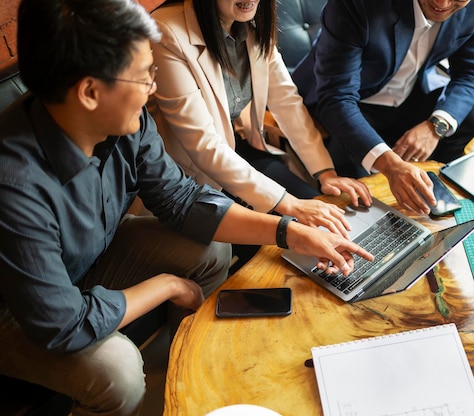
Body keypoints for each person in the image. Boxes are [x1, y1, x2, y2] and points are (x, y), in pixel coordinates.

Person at [0, 0, 373, 415]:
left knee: (210, 249)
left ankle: (188, 384)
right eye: (144, 77)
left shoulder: (126, 122)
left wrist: (287, 229)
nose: (153, 90)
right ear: (90, 91)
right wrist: (167, 285)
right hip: (20, 311)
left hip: (85, 265)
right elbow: (64, 325)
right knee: (117, 371)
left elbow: (181, 199)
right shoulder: (14, 183)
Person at [150, 0, 372, 241]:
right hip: (186, 177)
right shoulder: (166, 31)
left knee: (321, 213)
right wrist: (291, 205)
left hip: (236, 149)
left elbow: (287, 102)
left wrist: (326, 173)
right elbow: (203, 145)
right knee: (290, 231)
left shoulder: (253, 22)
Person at [292, 0, 474, 215]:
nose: (442, 3)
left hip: (413, 92)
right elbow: (336, 97)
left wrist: (436, 125)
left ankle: (454, 205)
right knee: (357, 195)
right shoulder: (355, 4)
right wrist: (390, 166)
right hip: (352, 105)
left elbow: (471, 73)